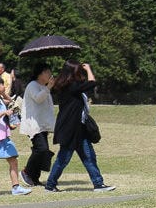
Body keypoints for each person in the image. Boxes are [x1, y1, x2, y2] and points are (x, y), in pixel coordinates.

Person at [45, 61, 116, 192]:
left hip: (79, 129)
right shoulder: (71, 86)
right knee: (63, 159)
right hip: (70, 130)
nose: (80, 73)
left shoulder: (67, 85)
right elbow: (92, 82)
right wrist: (88, 69)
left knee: (89, 157)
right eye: (78, 71)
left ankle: (98, 184)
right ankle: (50, 185)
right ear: (73, 72)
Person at [19, 64, 55, 187]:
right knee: (42, 149)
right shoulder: (32, 85)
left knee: (42, 151)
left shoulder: (43, 86)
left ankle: (34, 177)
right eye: (48, 72)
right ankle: (26, 172)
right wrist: (49, 87)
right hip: (33, 124)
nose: (50, 75)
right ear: (41, 73)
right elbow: (38, 99)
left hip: (42, 124)